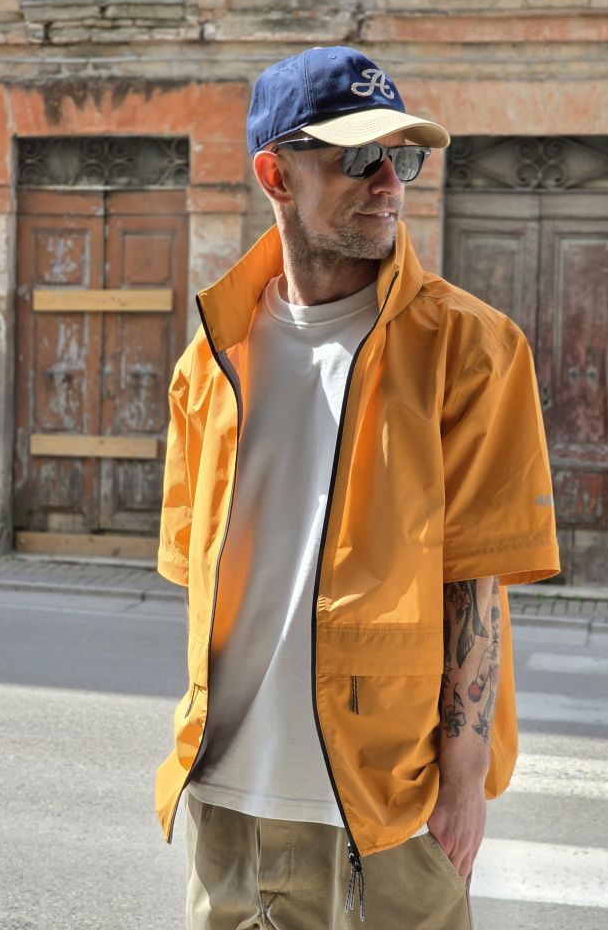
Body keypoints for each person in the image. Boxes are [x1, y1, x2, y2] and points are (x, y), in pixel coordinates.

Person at [154, 46, 560, 929]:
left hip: (389, 815)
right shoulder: (209, 363)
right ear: (276, 174)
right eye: (359, 157)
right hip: (225, 799)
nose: (388, 182)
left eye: (400, 159)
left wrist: (463, 781)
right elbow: (201, 580)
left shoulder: (471, 349)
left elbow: (475, 580)